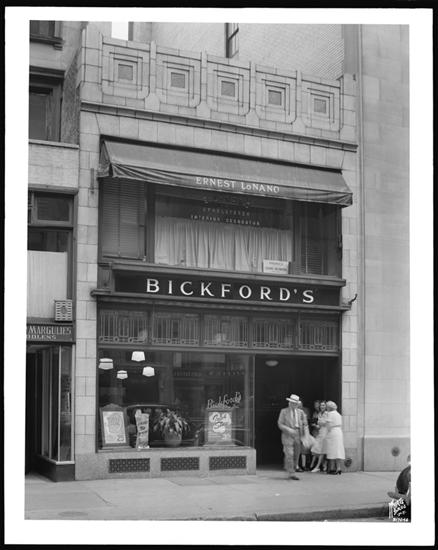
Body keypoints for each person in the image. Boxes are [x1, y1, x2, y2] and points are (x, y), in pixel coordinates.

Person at [277, 393, 308, 480]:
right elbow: (280, 424)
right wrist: (288, 429)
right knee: (289, 453)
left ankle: (291, 468)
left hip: (298, 434)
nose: (293, 404)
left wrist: (305, 435)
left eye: (295, 403)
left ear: (297, 404)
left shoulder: (301, 412)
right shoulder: (283, 411)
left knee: (296, 455)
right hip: (288, 435)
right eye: (291, 403)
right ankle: (292, 473)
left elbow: (305, 424)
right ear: (289, 403)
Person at [324, 400, 345, 474]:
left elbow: (328, 425)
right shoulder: (338, 414)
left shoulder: (330, 414)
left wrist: (327, 432)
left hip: (332, 432)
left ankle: (332, 468)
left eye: (327, 407)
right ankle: (338, 468)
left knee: (332, 450)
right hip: (339, 432)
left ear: (329, 407)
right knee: (338, 450)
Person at [310, 400, 328, 472]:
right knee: (316, 448)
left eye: (323, 405)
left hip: (325, 432)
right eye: (321, 405)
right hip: (320, 432)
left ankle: (319, 466)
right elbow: (319, 425)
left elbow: (327, 423)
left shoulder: (327, 413)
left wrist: (320, 424)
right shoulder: (319, 413)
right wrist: (316, 425)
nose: (322, 406)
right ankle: (323, 465)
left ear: (326, 406)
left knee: (322, 450)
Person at [298, 400, 313, 471]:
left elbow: (307, 423)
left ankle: (304, 465)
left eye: (300, 404)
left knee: (305, 450)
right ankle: (298, 465)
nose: (299, 405)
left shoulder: (305, 411)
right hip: (297, 432)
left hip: (304, 431)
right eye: (298, 404)